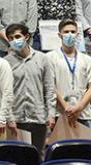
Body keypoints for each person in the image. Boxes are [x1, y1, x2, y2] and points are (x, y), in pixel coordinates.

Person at [5, 23, 56, 155]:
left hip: (38, 117)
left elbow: (49, 88)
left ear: (26, 37)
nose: (14, 40)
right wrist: (9, 118)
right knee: (17, 156)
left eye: (17, 36)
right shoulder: (5, 62)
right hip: (16, 119)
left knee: (37, 155)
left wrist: (51, 114)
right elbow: (5, 93)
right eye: (11, 38)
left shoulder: (42, 58)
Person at [48, 19, 91, 129]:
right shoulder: (50, 57)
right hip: (60, 113)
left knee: (85, 141)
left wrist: (79, 107)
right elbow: (51, 86)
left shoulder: (86, 59)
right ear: (59, 35)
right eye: (66, 32)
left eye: (73, 32)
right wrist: (66, 107)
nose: (69, 34)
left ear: (77, 35)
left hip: (83, 113)